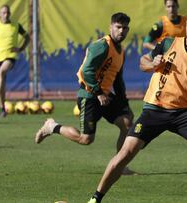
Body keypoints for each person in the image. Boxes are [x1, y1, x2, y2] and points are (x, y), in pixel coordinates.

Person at [87, 8, 187, 203]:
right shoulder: (169, 43)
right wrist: (152, 64)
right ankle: (95, 198)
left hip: (183, 113)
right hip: (155, 110)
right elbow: (143, 62)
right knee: (125, 153)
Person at [35, 12, 136, 175]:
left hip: (106, 97)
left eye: (125, 28)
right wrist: (98, 93)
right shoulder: (102, 46)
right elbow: (86, 71)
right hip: (89, 96)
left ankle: (119, 166)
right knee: (86, 139)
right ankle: (52, 127)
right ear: (110, 27)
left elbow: (117, 79)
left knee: (126, 124)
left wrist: (124, 103)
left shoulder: (121, 51)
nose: (121, 31)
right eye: (118, 27)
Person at [0, 5, 30, 117]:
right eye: (3, 12)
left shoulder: (16, 25)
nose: (6, 14)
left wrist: (20, 48)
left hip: (10, 56)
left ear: (10, 14)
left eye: (7, 12)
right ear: (0, 14)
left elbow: (27, 37)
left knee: (1, 72)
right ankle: (3, 108)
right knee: (1, 83)